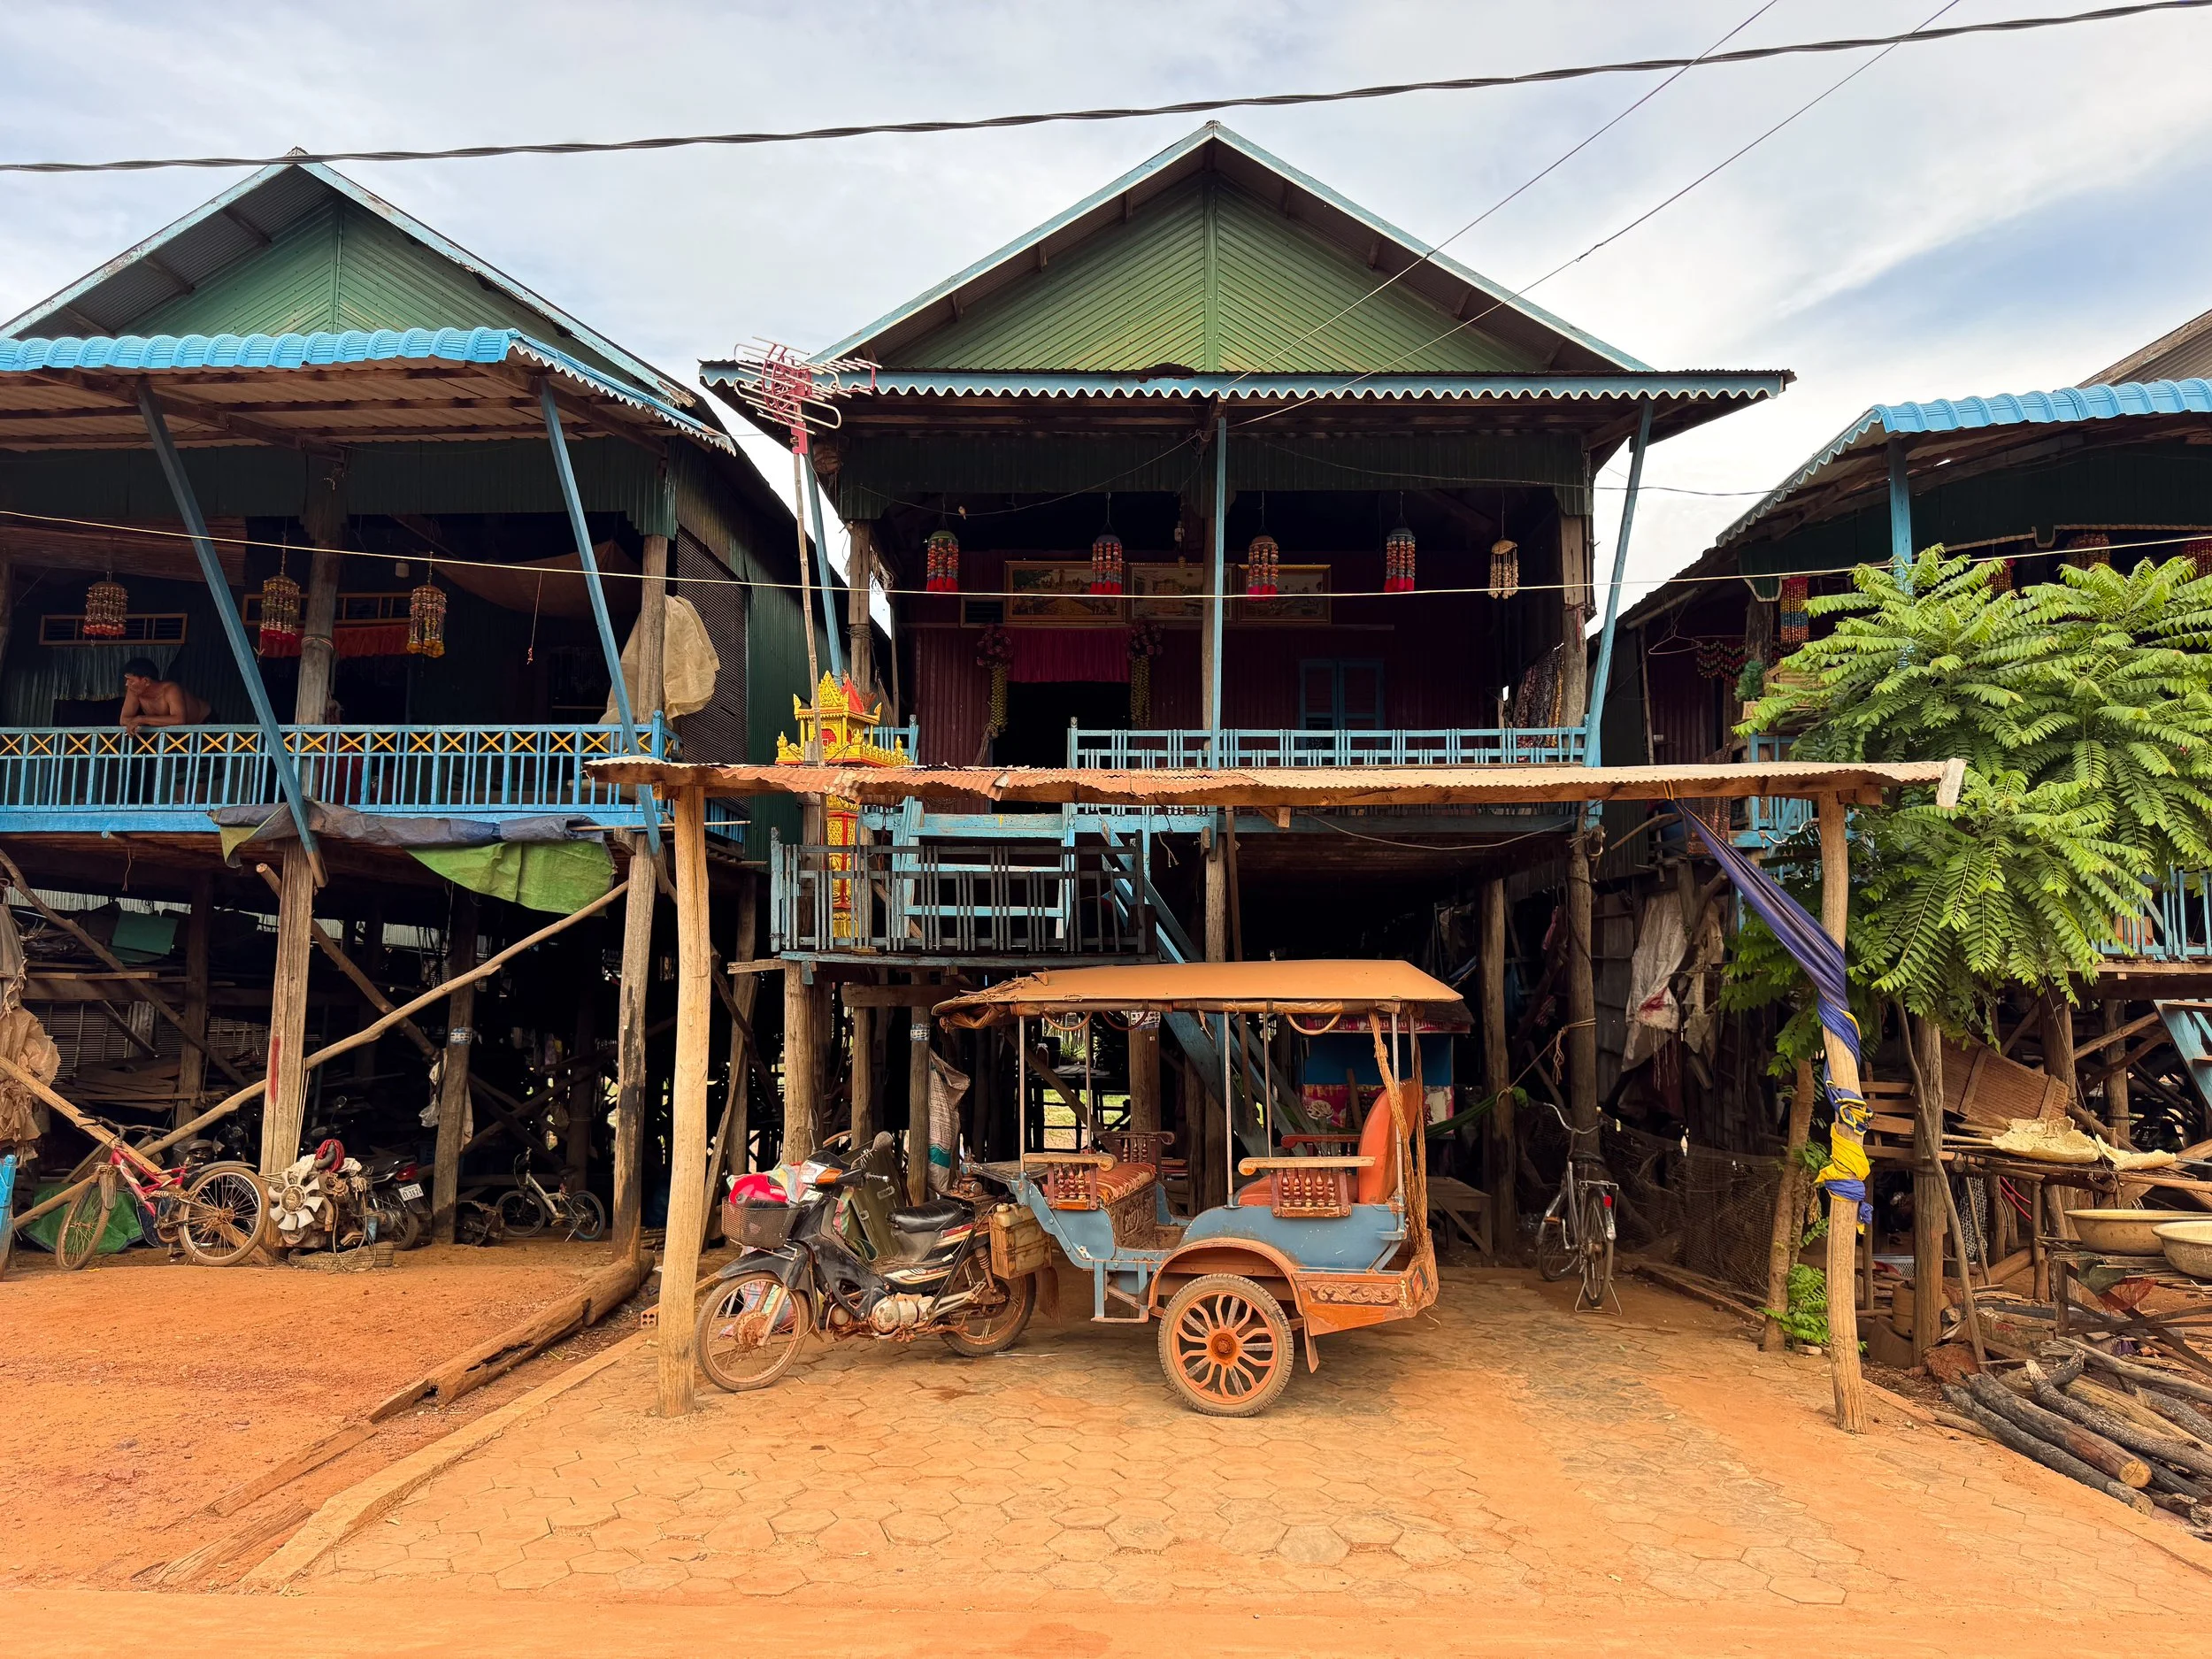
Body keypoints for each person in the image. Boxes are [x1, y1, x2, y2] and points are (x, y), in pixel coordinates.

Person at [119, 658, 210, 736]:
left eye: (130, 680)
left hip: (203, 722)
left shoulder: (171, 690)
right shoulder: (134, 691)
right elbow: (124, 720)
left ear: (145, 681)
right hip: (171, 732)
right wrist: (139, 721)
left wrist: (141, 719)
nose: (127, 684)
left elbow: (179, 720)